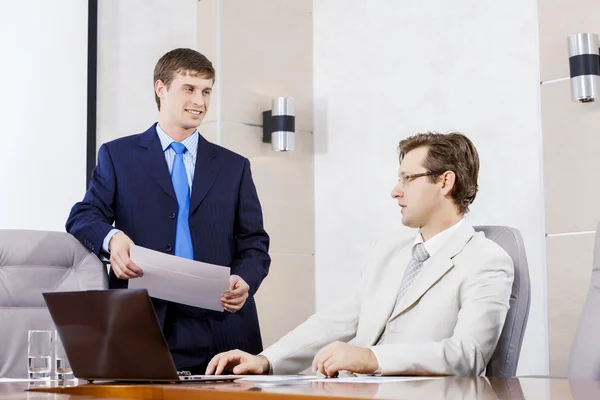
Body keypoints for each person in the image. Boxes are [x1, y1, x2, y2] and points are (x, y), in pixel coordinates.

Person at [205, 131, 514, 377]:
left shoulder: (486, 260)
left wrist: (371, 357)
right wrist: (266, 360)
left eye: (408, 178)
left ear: (445, 181)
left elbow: (468, 354)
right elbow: (339, 320)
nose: (395, 190)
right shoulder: (389, 249)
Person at [66, 48, 270, 373]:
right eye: (189, 89)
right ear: (161, 89)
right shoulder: (118, 156)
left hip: (223, 327)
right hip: (142, 320)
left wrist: (243, 279)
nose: (200, 101)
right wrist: (113, 238)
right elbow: (83, 216)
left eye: (206, 91)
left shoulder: (235, 167)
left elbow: (255, 244)